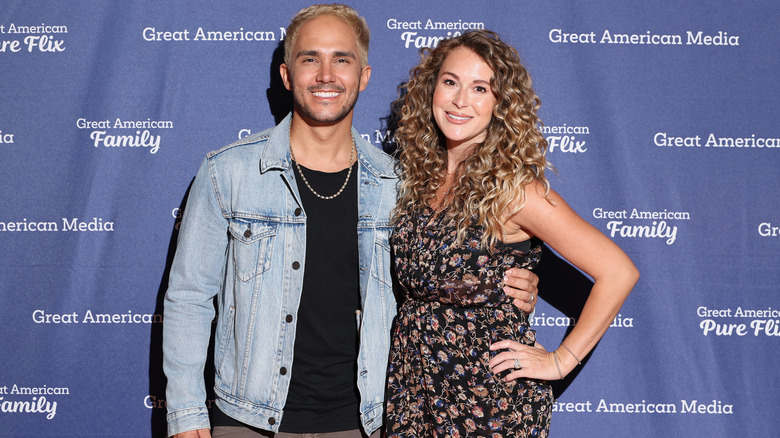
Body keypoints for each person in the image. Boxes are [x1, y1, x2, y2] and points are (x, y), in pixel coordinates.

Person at [162, 6, 540, 438]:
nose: (326, 74)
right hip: (247, 419)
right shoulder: (227, 173)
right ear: (287, 76)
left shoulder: (400, 184)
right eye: (310, 59)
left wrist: (508, 281)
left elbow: (443, 269)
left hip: (367, 422)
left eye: (342, 59)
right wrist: (186, 414)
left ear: (363, 76)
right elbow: (189, 299)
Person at [385, 30, 639, 436]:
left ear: (500, 104)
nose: (460, 100)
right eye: (450, 82)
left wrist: (560, 360)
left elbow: (619, 270)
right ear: (431, 88)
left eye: (480, 88)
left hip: (488, 400)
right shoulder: (418, 178)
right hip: (414, 390)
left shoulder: (514, 190)